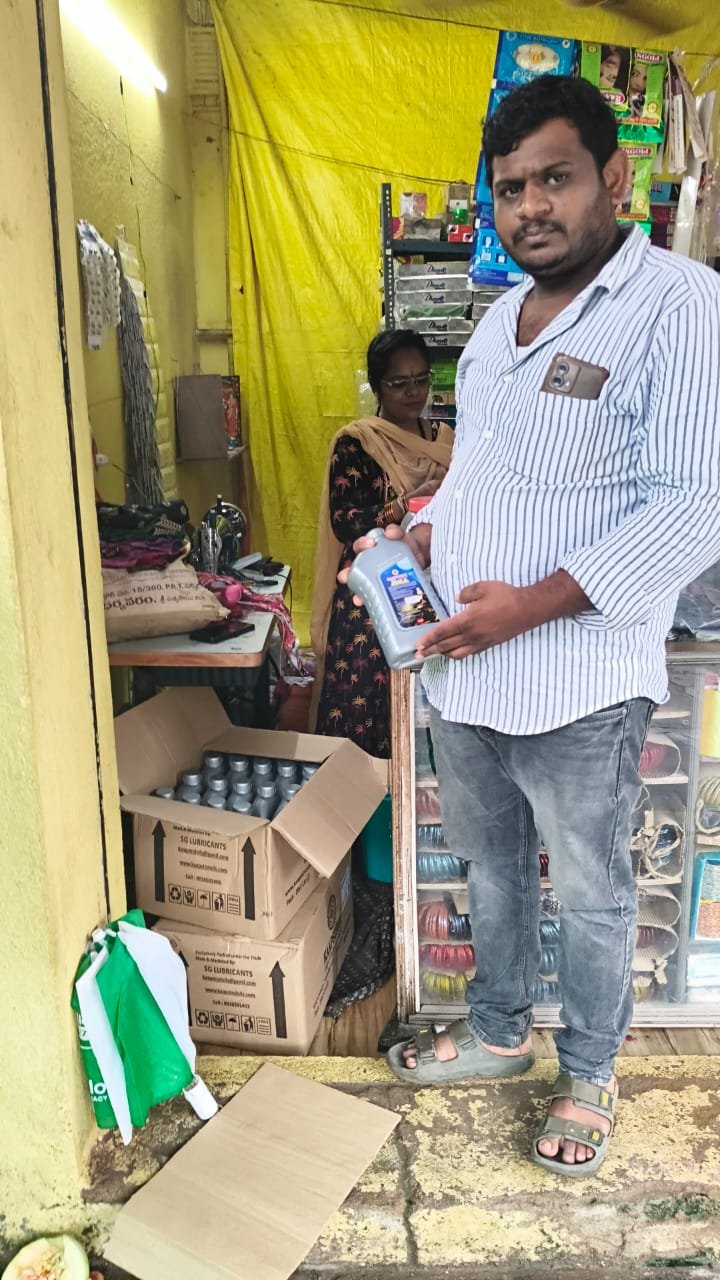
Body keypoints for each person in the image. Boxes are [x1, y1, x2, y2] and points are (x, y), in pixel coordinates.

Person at [344, 75, 720, 1176]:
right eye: (509, 187)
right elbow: (481, 473)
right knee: (494, 869)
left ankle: (592, 1071)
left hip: (580, 675)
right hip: (465, 672)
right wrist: (423, 533)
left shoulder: (680, 304)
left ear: (614, 178)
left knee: (595, 887)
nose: (529, 207)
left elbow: (695, 502)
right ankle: (504, 1027)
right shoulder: (503, 316)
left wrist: (530, 605)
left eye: (554, 178)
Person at [310, 330, 452, 757]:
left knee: (430, 718)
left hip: (437, 589)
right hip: (373, 597)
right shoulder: (357, 443)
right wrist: (410, 507)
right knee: (366, 720)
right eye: (398, 383)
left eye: (421, 380)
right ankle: (361, 816)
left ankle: (419, 814)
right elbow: (345, 519)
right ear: (376, 386)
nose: (413, 392)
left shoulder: (447, 439)